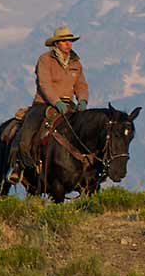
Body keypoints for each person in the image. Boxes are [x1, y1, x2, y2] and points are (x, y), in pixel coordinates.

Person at [11, 26, 90, 183]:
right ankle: (18, 166)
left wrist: (82, 99)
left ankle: (87, 169)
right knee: (28, 132)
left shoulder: (76, 63)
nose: (68, 44)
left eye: (70, 41)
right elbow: (44, 84)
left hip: (69, 104)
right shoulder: (45, 60)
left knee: (86, 131)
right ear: (56, 43)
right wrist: (56, 102)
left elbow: (81, 84)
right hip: (43, 104)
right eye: (64, 41)